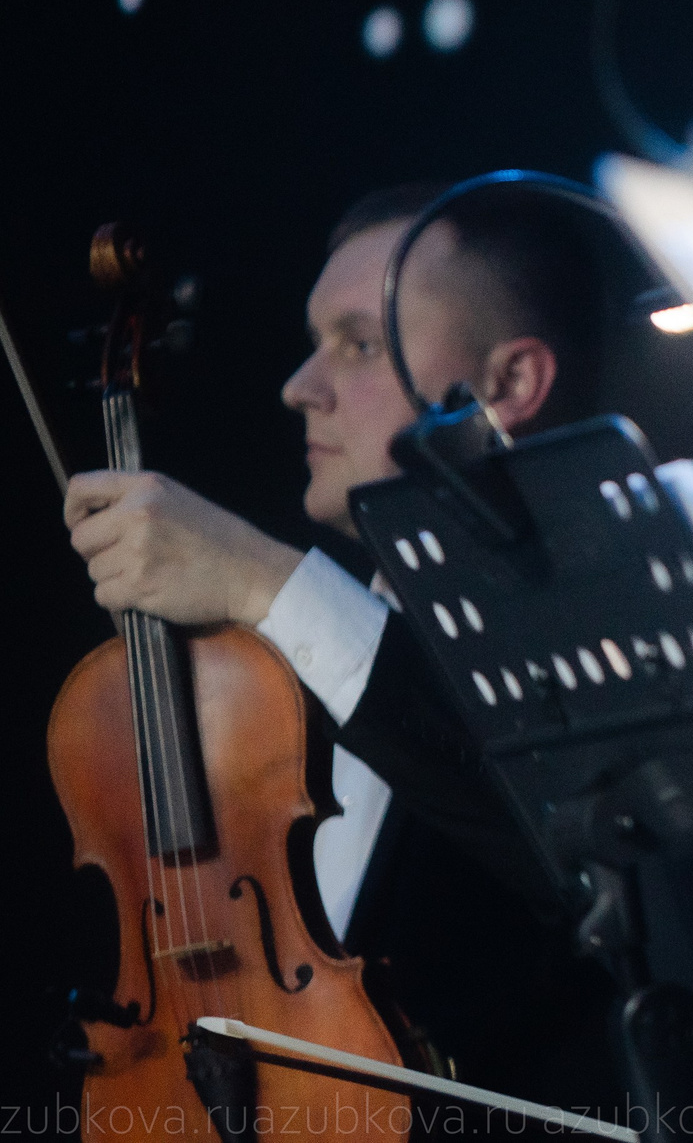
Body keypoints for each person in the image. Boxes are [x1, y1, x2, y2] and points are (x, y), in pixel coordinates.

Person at [62, 183, 623, 1109]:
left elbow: (562, 851)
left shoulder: (610, 646)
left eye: (358, 344)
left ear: (510, 384)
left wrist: (264, 578)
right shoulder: (280, 676)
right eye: (315, 341)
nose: (299, 386)